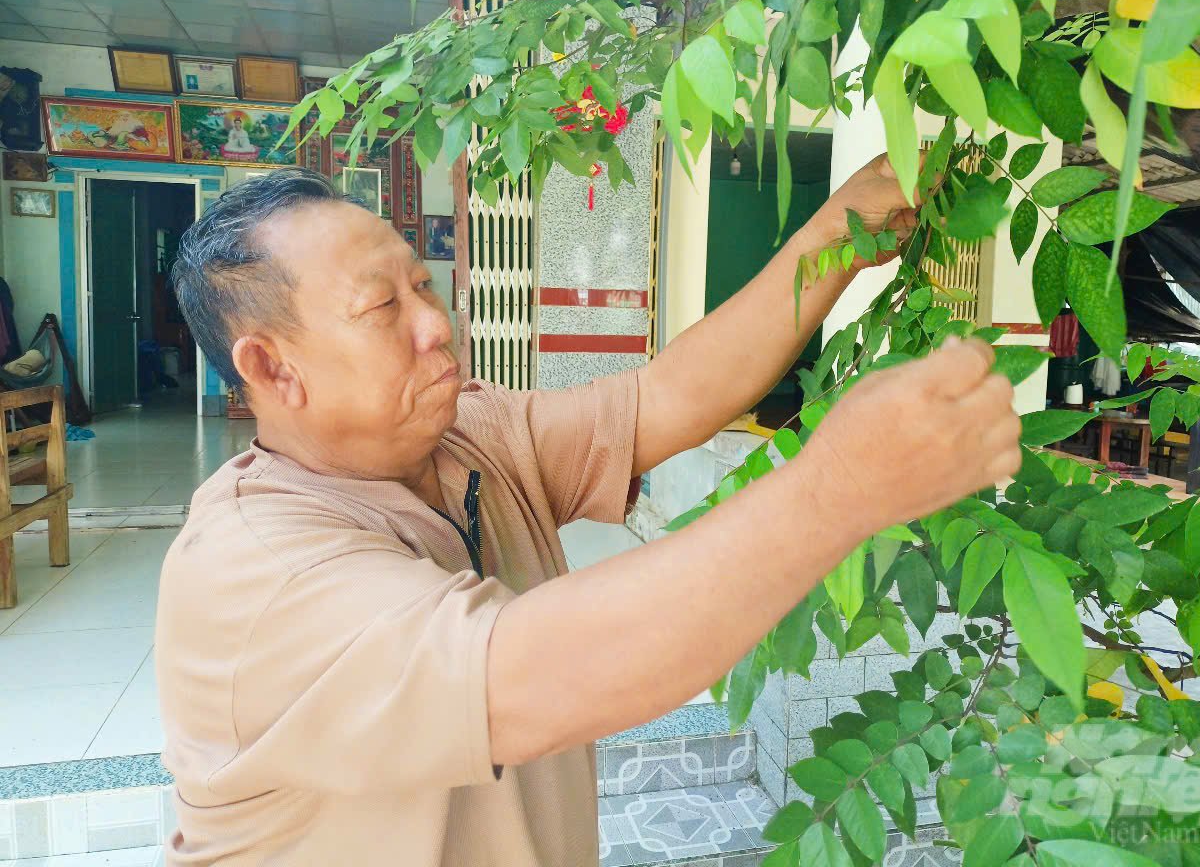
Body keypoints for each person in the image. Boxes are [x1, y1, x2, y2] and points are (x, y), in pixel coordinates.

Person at [159, 163, 1020, 866]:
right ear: (272, 370)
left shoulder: (470, 436)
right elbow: (536, 675)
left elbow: (664, 397)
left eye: (424, 284)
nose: (436, 323)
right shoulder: (252, 570)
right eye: (382, 308)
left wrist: (835, 234)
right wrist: (842, 486)